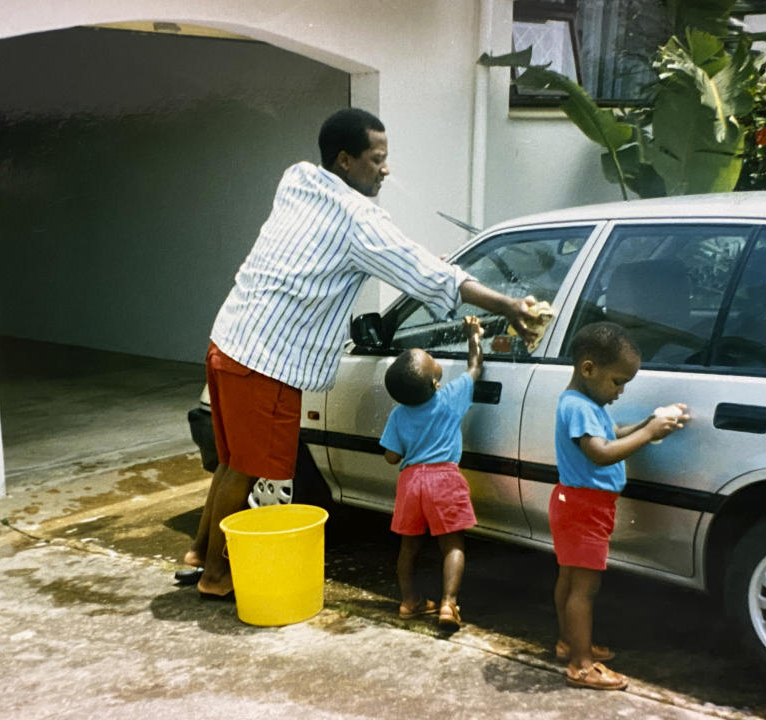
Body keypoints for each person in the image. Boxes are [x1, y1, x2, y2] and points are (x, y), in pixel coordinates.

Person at [184, 107, 541, 597]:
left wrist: (412, 263)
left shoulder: (298, 180)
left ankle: (200, 554)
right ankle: (216, 577)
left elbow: (399, 260)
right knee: (244, 470)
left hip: (231, 339)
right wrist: (508, 303)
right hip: (264, 359)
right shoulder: (359, 220)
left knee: (230, 464)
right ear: (346, 161)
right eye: (377, 159)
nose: (386, 170)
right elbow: (419, 269)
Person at [551, 321, 688, 690]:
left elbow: (611, 435)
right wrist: (648, 435)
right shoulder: (579, 407)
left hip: (575, 502)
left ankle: (569, 641)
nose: (621, 391)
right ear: (589, 368)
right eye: (617, 381)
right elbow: (600, 453)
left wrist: (651, 422)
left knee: (569, 578)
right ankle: (582, 664)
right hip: (585, 507)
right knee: (584, 588)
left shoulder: (583, 402)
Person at [380, 316, 484, 630]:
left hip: (411, 482)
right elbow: (474, 368)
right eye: (433, 362)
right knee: (452, 545)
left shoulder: (398, 414)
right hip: (445, 480)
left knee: (408, 546)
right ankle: (449, 604)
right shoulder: (450, 398)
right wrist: (473, 336)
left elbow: (391, 456)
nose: (435, 360)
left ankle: (409, 600)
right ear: (435, 383)